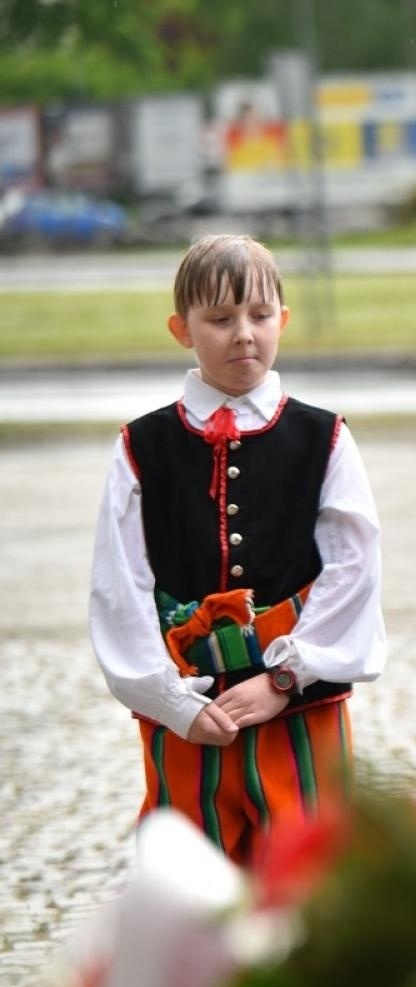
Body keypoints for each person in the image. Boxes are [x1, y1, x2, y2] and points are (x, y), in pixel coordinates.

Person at [90, 234, 386, 865]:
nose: (243, 334)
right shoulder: (142, 445)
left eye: (258, 315)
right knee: (190, 883)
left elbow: (354, 566)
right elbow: (120, 583)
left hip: (299, 706)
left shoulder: (323, 437)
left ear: (283, 319)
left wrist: (286, 676)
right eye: (220, 319)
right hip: (188, 707)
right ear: (182, 329)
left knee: (313, 875)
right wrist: (170, 701)